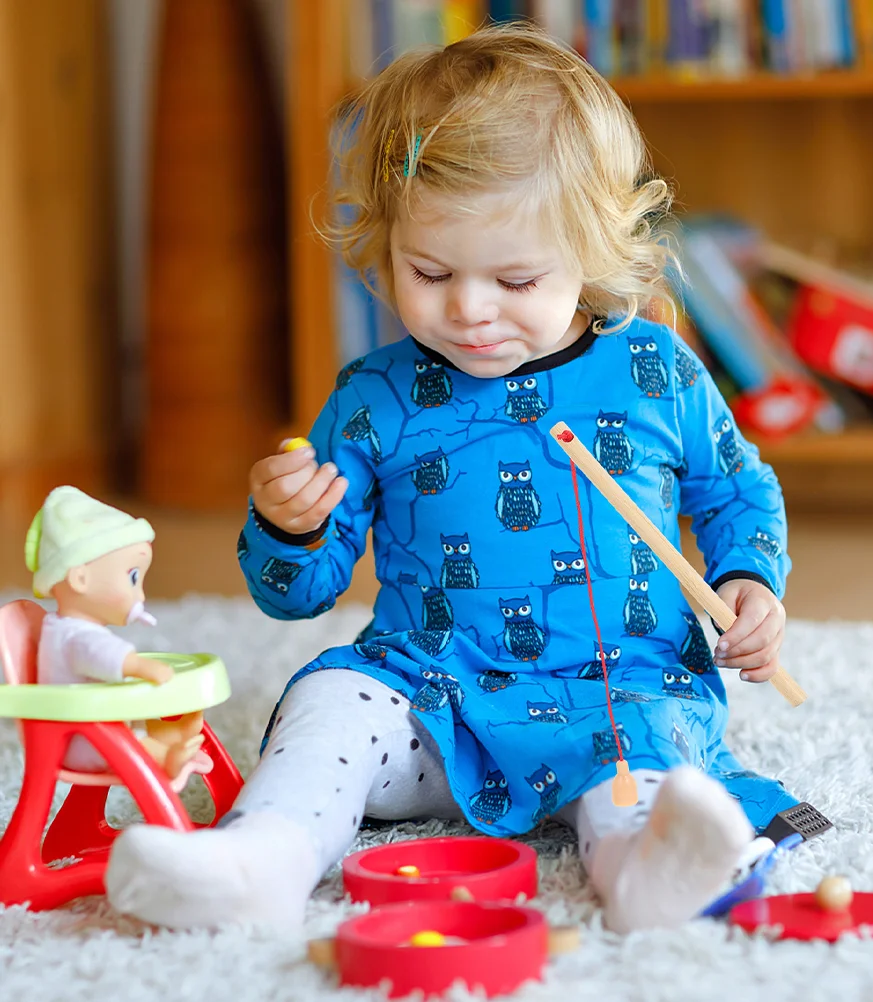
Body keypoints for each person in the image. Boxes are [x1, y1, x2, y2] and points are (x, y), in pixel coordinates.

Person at [106, 24, 801, 934]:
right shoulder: (374, 398)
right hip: (430, 702)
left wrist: (749, 582)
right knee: (327, 702)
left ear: (591, 253)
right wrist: (289, 526)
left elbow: (736, 490)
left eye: (516, 279)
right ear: (386, 241)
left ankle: (645, 868)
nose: (468, 310)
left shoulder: (654, 370)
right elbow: (296, 596)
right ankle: (261, 858)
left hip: (615, 694)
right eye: (428, 271)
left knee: (645, 764)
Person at [26, 486, 204, 777]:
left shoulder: (69, 629)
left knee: (145, 728)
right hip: (86, 741)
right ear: (80, 579)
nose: (141, 596)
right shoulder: (74, 636)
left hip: (97, 729)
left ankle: (169, 741)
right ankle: (168, 759)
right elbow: (103, 655)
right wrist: (139, 665)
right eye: (132, 578)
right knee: (137, 745)